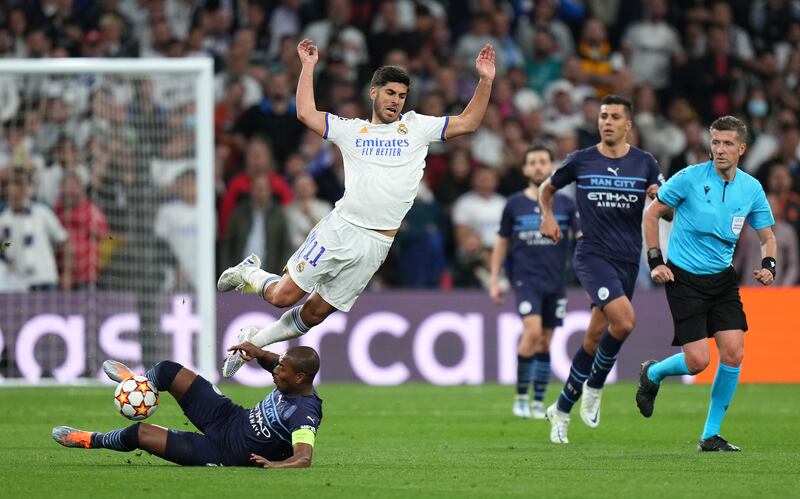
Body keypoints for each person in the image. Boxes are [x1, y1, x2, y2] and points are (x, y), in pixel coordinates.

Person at [216, 39, 495, 378]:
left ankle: (252, 344)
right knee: (282, 296)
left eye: (402, 95)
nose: (396, 100)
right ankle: (249, 272)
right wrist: (307, 67)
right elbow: (305, 113)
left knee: (315, 314)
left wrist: (485, 80)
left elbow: (468, 122)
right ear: (374, 93)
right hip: (341, 230)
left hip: (377, 244)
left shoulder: (417, 127)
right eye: (390, 93)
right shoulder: (352, 131)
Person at [637, 116, 776, 452]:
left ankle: (709, 436)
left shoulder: (751, 189)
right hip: (683, 278)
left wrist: (768, 265)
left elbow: (767, 236)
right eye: (715, 142)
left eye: (727, 143)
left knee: (733, 353)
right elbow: (652, 213)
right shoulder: (688, 178)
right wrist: (655, 261)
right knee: (698, 361)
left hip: (722, 280)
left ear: (742, 148)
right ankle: (653, 373)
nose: (719, 149)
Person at [538, 94, 663, 444]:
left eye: (614, 117)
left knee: (594, 338)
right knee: (625, 321)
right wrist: (546, 216)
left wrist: (658, 196)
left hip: (627, 258)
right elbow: (547, 189)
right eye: (603, 116)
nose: (607, 121)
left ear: (628, 125)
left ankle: (561, 410)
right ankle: (594, 386)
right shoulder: (581, 160)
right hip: (592, 254)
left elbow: (666, 208)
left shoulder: (645, 163)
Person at [52, 345, 322, 468]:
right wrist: (259, 353)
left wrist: (275, 465)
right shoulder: (291, 378)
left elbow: (303, 458)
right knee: (168, 371)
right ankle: (136, 383)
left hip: (225, 452)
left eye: (281, 369)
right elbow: (274, 361)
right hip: (228, 416)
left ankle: (90, 440)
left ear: (299, 377)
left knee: (140, 434)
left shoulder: (304, 412)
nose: (276, 370)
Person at [489, 144, 579, 419]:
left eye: (543, 161)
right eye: (533, 162)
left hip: (556, 282)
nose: (538, 166)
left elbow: (581, 240)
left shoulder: (565, 204)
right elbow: (502, 242)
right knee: (532, 332)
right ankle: (520, 397)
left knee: (545, 342)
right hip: (525, 281)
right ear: (525, 168)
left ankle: (538, 402)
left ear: (551, 167)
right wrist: (494, 279)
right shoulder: (514, 204)